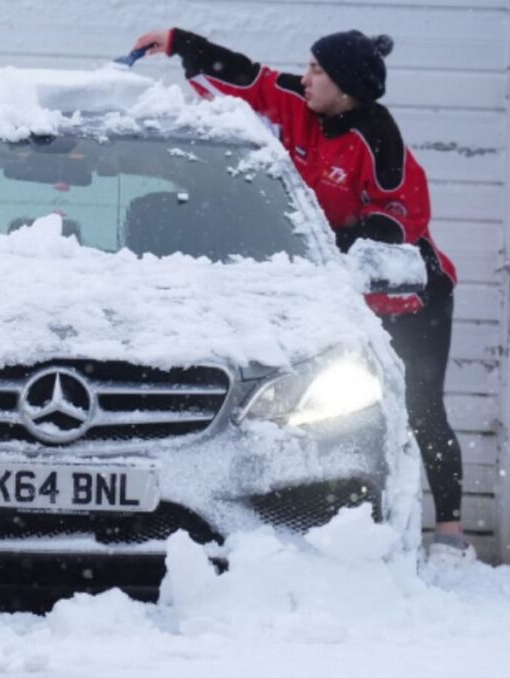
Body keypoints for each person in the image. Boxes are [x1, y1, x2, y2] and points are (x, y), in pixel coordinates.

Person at [132, 28, 475, 565]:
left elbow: (399, 215)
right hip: (335, 290)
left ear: (346, 85)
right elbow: (251, 78)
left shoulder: (376, 136)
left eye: (317, 69)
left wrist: (337, 245)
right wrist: (179, 42)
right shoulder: (301, 103)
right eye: (309, 67)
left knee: (420, 408)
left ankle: (451, 535)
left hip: (408, 291)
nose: (306, 77)